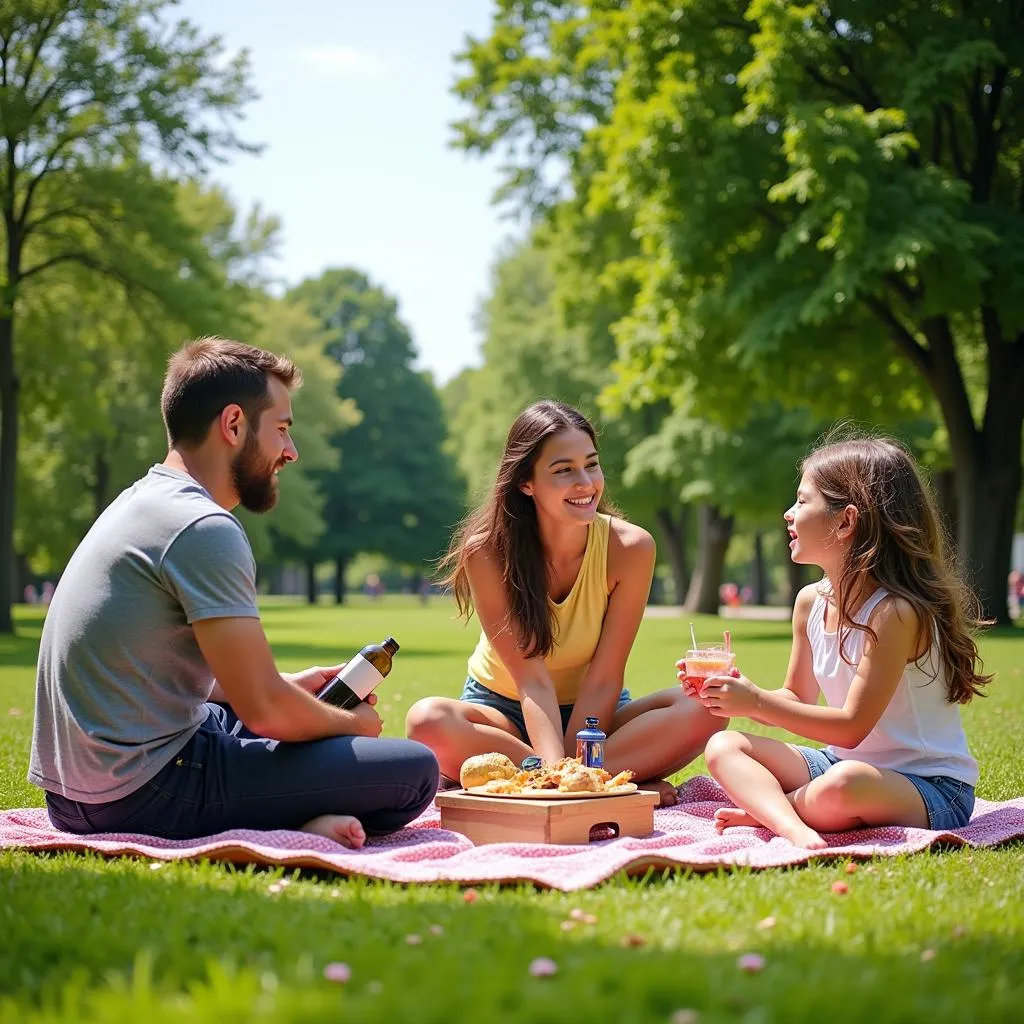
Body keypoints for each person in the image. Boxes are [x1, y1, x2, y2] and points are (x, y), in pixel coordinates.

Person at [30, 337, 438, 846]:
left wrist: (290, 684)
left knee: (236, 716)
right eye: (283, 430)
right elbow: (266, 712)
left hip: (73, 793)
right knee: (412, 772)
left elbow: (197, 683)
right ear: (233, 425)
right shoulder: (203, 527)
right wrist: (346, 724)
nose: (291, 451)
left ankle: (293, 811)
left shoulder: (142, 501)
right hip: (141, 791)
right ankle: (291, 819)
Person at [405, 400, 722, 805]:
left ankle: (562, 782)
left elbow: (605, 678)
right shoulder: (486, 552)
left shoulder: (631, 548)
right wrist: (561, 773)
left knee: (709, 705)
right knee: (426, 722)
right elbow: (532, 681)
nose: (585, 482)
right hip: (504, 714)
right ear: (526, 483)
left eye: (591, 464)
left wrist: (575, 765)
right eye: (563, 470)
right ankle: (608, 785)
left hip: (595, 718)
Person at [688, 435, 991, 849]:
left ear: (846, 522)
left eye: (802, 501)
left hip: (930, 787)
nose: (788, 514)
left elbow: (851, 727)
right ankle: (792, 819)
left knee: (845, 785)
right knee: (725, 744)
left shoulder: (896, 612)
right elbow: (796, 696)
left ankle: (776, 815)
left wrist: (756, 701)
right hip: (842, 764)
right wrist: (734, 693)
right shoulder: (810, 601)